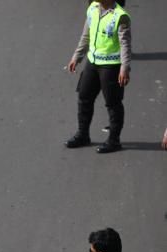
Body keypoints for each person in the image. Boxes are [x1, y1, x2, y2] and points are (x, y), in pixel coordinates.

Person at [66, 0, 131, 153]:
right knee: (84, 96)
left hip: (111, 66)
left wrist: (124, 68)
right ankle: (83, 135)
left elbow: (125, 44)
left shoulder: (120, 16)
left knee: (113, 103)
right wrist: (77, 56)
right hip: (93, 62)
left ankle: (114, 141)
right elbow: (86, 35)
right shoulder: (93, 8)